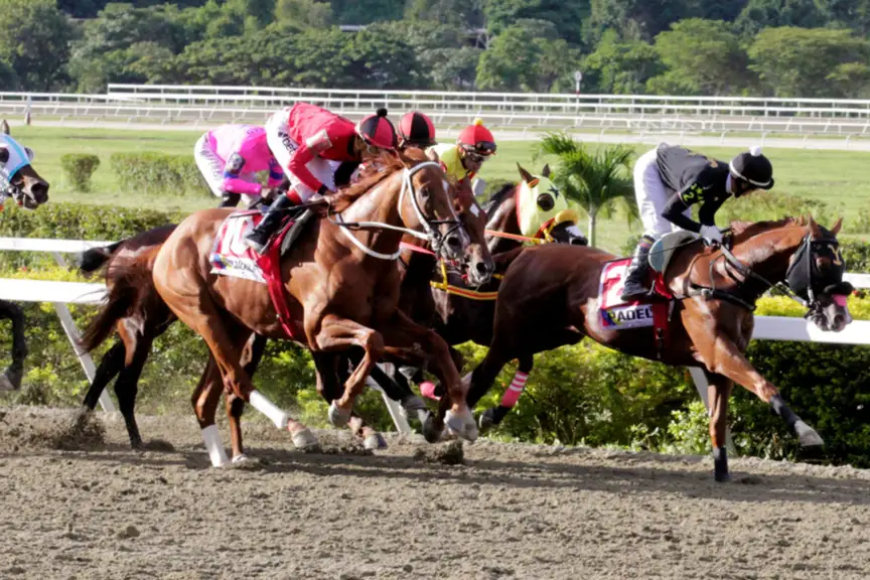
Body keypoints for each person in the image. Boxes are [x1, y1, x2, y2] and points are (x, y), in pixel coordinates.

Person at [620, 144, 775, 301]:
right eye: (754, 188)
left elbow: (706, 213)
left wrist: (711, 230)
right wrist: (702, 229)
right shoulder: (705, 180)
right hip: (654, 168)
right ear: (744, 184)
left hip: (677, 173)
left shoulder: (727, 182)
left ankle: (668, 282)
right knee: (659, 229)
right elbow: (669, 212)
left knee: (683, 234)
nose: (752, 193)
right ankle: (631, 281)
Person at [243, 104, 398, 254]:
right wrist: (325, 192)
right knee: (307, 187)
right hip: (285, 128)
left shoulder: (358, 145)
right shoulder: (329, 136)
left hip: (309, 129)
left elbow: (341, 180)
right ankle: (261, 231)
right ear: (359, 141)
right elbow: (295, 164)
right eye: (374, 150)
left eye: (381, 152)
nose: (376, 156)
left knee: (328, 190)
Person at [193, 124, 283, 208]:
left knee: (259, 202)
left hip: (237, 153)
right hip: (211, 149)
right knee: (231, 193)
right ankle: (217, 222)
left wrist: (270, 193)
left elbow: (273, 186)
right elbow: (228, 183)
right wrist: (260, 189)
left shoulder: (280, 151)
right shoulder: (245, 149)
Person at [426, 118, 496, 194]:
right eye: (477, 158)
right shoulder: (445, 159)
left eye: (485, 158)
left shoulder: (471, 167)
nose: (479, 164)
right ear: (462, 151)